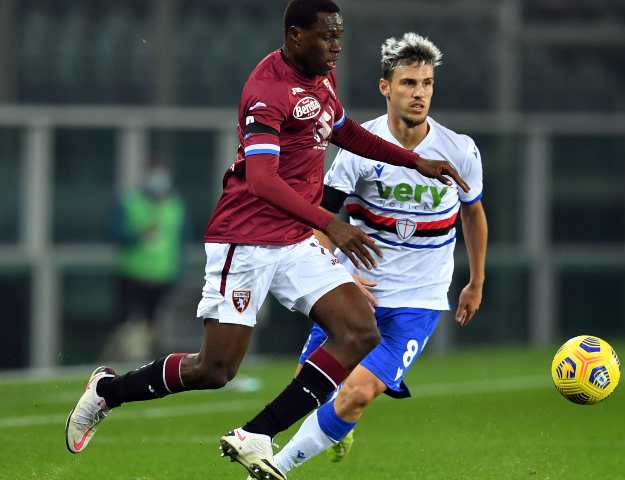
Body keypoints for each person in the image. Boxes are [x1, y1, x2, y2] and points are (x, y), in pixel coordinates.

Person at [64, 2, 469, 480]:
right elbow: (261, 180)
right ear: (295, 35)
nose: (336, 46)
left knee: (360, 331)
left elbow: (346, 132)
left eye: (339, 36)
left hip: (293, 241)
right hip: (246, 239)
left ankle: (256, 434)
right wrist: (332, 223)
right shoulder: (267, 90)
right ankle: (108, 392)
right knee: (215, 369)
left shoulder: (321, 77)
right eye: (327, 36)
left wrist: (412, 160)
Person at [265, 32, 488, 477]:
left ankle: (277, 467)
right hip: (355, 293)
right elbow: (322, 222)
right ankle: (335, 427)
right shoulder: (359, 148)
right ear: (386, 87)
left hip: (417, 300)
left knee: (358, 394)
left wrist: (476, 281)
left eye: (426, 83)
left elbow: (473, 213)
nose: (419, 93)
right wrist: (334, 275)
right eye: (409, 83)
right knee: (309, 386)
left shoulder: (459, 150)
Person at [104, 163, 187, 361]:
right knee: (125, 323)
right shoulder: (130, 202)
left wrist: (178, 270)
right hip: (131, 274)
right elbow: (113, 233)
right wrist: (137, 236)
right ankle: (118, 358)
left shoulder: (175, 205)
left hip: (163, 276)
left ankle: (147, 359)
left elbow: (181, 241)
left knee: (153, 323)